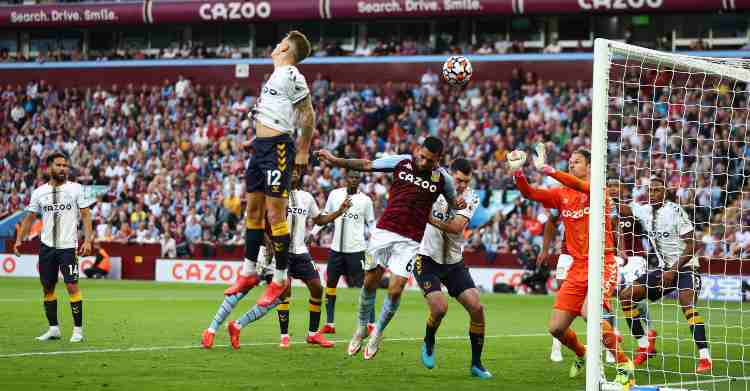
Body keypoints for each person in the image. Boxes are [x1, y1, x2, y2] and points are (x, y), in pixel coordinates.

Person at [316, 136, 466, 360]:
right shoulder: (403, 161)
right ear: (418, 150)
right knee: (369, 283)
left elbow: (454, 202)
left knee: (395, 290)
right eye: (421, 156)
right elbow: (367, 165)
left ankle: (377, 332)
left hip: (411, 240)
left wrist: (458, 204)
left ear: (438, 159)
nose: (423, 162)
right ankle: (360, 328)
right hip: (384, 232)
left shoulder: (443, 179)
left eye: (428, 160)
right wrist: (336, 160)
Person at [508, 144, 634, 386]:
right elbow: (531, 194)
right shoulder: (562, 194)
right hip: (577, 267)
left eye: (576, 161)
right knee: (555, 328)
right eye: (570, 161)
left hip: (603, 263)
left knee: (590, 312)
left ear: (589, 166)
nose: (571, 164)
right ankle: (584, 353)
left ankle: (623, 363)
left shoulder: (598, 190)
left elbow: (578, 184)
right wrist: (518, 173)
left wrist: (548, 169)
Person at [228, 30, 316, 308]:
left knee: (275, 215)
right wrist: (256, 139)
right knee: (252, 210)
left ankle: (279, 280)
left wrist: (302, 150)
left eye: (279, 43)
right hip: (261, 148)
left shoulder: (292, 75)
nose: (275, 46)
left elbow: (308, 114)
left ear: (286, 49)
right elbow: (277, 114)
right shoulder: (275, 77)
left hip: (279, 147)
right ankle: (248, 273)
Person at [227, 168, 352, 349]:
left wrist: (339, 212)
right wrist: (268, 242)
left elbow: (319, 220)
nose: (293, 173)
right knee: (284, 293)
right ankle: (283, 336)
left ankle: (312, 334)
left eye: (296, 171)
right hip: (281, 251)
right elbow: (255, 219)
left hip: (300, 251)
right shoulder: (275, 195)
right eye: (290, 170)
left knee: (317, 288)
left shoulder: (307, 197)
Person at [615, 175, 712, 373]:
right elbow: (624, 209)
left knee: (687, 304)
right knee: (625, 297)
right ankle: (645, 346)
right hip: (663, 270)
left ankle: (705, 357)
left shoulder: (675, 211)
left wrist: (673, 271)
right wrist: (607, 194)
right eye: (650, 190)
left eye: (657, 190)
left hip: (685, 267)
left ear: (665, 192)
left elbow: (694, 244)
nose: (652, 194)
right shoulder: (645, 210)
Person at [413, 158, 492, 379]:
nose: (462, 185)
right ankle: (429, 341)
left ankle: (476, 364)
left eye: (466, 181)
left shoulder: (471, 197)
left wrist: (427, 218)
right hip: (426, 257)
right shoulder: (433, 187)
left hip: (454, 262)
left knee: (477, 308)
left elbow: (457, 227)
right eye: (458, 180)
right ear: (450, 174)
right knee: (439, 308)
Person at [14, 151, 95, 343]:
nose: (62, 169)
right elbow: (29, 218)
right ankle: (54, 329)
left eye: (65, 165)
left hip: (68, 247)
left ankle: (77, 331)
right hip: (47, 247)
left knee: (72, 286)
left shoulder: (76, 189)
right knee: (47, 287)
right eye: (58, 165)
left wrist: (88, 239)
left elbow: (86, 215)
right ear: (49, 167)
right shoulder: (39, 192)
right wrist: (19, 239)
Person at [316, 169, 376, 334]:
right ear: (345, 178)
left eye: (357, 177)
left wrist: (375, 243)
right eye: (351, 177)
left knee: (366, 286)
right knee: (330, 285)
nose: (354, 180)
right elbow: (325, 216)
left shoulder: (365, 200)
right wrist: (313, 233)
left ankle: (371, 324)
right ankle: (330, 323)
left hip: (357, 250)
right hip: (336, 250)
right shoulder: (335, 195)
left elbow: (371, 224)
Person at [606, 179, 657, 366]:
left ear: (623, 189)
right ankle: (616, 335)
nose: (611, 188)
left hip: (636, 257)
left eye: (615, 185)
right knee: (614, 295)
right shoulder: (602, 208)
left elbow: (628, 215)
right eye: (609, 185)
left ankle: (650, 332)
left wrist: (615, 205)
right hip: (615, 259)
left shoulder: (633, 207)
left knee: (633, 296)